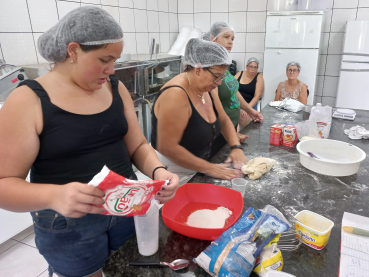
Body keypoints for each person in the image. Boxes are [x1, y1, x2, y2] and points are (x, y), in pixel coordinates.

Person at [0, 6, 179, 277]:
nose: (111, 69)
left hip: (126, 206)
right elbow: (4, 184)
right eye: (104, 59)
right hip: (68, 224)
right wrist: (55, 195)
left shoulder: (115, 87)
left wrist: (159, 171)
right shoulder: (28, 100)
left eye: (115, 60)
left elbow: (138, 146)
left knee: (131, 270)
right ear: (73, 51)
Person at [151, 38, 248, 185]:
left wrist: (235, 146)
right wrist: (210, 168)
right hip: (173, 173)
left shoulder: (208, 88)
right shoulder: (176, 95)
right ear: (198, 69)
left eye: (222, 76)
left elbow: (223, 118)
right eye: (216, 76)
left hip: (198, 167)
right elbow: (167, 147)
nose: (219, 82)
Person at [205, 22, 264, 155]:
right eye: (226, 37)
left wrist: (250, 111)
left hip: (231, 127)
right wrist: (231, 134)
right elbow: (213, 106)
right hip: (218, 132)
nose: (230, 42)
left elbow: (233, 91)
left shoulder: (223, 65)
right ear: (212, 38)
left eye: (232, 38)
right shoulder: (210, 68)